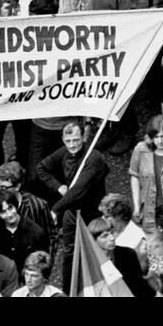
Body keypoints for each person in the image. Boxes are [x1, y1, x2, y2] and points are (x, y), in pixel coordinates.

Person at [37, 120, 108, 289]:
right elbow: (41, 168)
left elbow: (78, 190)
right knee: (69, 254)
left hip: (92, 213)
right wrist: (58, 186)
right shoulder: (63, 152)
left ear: (83, 137)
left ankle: (96, 289)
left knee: (95, 253)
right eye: (68, 141)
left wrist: (55, 210)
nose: (72, 145)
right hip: (71, 211)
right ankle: (69, 291)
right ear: (63, 139)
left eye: (76, 140)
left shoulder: (93, 157)